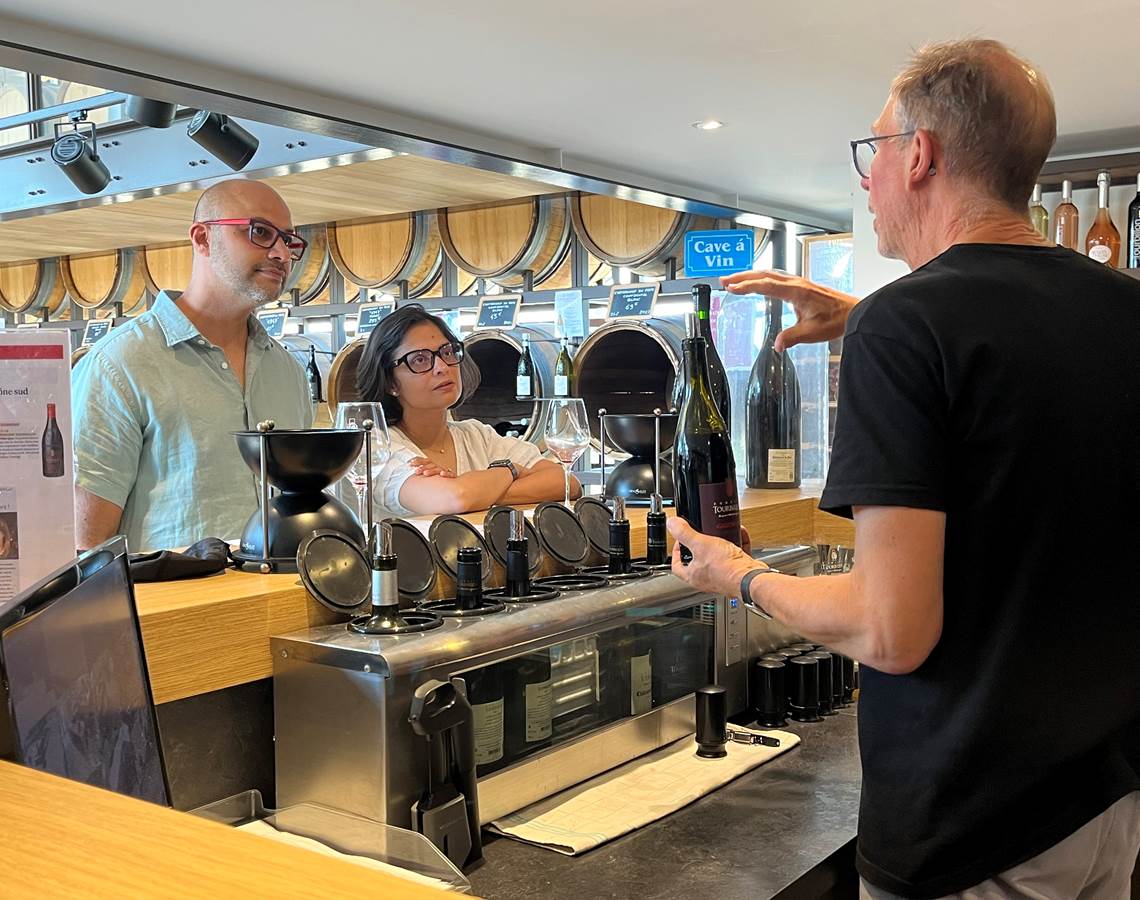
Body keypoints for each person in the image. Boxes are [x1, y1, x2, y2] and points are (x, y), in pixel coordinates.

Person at [670, 38, 1140, 900]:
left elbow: (892, 630)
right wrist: (869, 314)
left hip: (972, 824)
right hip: (1102, 800)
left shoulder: (909, 325)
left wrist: (739, 576)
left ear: (919, 155)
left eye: (874, 149)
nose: (867, 177)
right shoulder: (1124, 307)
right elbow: (1023, 364)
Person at [72, 180, 313, 552]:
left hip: (280, 601)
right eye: (261, 232)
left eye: (289, 240)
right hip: (170, 607)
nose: (282, 253)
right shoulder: (118, 365)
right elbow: (87, 544)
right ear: (202, 239)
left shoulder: (288, 373)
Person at [355, 305, 577, 518]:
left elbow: (567, 482)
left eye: (447, 352)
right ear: (389, 383)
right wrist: (510, 470)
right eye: (420, 359)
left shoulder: (476, 435)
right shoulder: (376, 448)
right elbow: (456, 498)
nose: (442, 367)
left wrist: (477, 490)